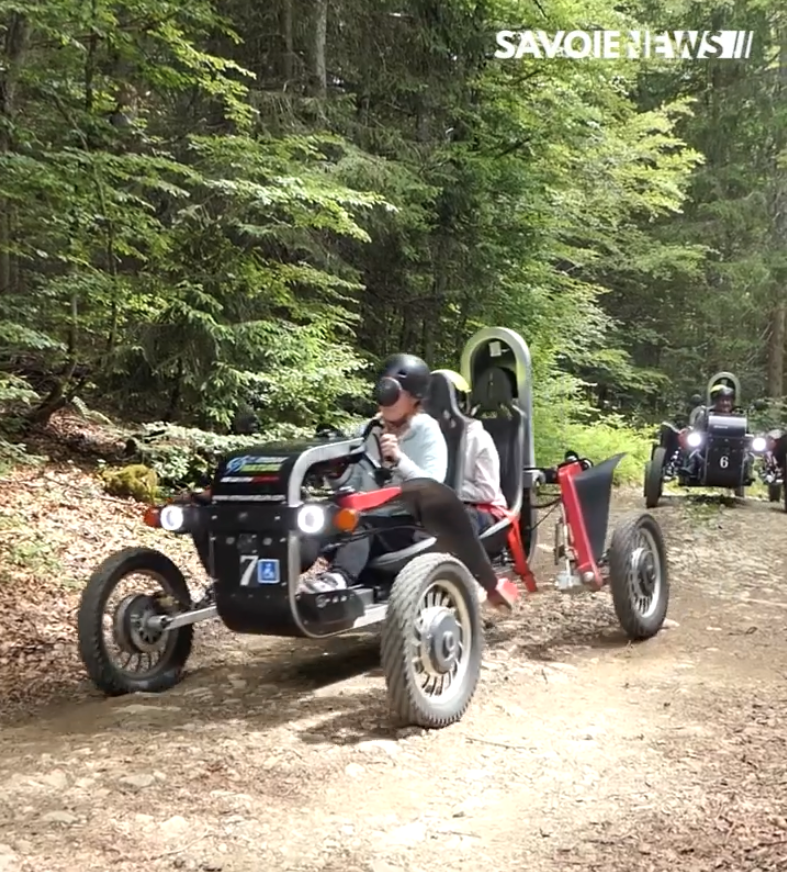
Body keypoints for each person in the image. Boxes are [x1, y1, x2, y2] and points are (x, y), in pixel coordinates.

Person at [300, 353, 448, 594]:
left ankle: (339, 578)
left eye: (394, 392)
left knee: (362, 523)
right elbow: (354, 483)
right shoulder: (369, 430)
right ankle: (283, 574)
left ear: (414, 398)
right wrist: (335, 472)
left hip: (409, 524)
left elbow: (433, 487)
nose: (386, 400)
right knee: (312, 517)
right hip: (366, 516)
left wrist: (399, 459)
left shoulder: (427, 430)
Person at [432, 369, 507, 533]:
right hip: (447, 506)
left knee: (453, 523)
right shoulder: (430, 437)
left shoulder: (478, 438)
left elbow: (487, 492)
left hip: (484, 509)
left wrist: (448, 489)